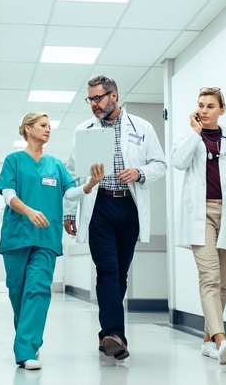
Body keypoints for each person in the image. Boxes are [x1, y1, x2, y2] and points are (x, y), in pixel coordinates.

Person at [63, 75, 167, 360]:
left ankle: (107, 335)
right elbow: (72, 174)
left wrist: (140, 173)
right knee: (107, 269)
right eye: (90, 99)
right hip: (99, 206)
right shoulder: (84, 130)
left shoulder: (141, 128)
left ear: (114, 96)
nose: (94, 105)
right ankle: (115, 333)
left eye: (98, 98)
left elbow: (160, 164)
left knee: (120, 273)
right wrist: (70, 211)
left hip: (129, 206)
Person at [0, 112, 104, 370]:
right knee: (18, 293)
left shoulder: (55, 165)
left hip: (46, 238)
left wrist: (90, 184)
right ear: (28, 129)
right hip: (16, 237)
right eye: (43, 125)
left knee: (38, 290)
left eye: (49, 126)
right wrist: (29, 211)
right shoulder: (13, 160)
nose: (48, 130)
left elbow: (71, 192)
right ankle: (30, 339)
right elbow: (8, 194)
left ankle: (25, 350)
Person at [170, 87, 226, 366]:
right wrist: (194, 133)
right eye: (200, 106)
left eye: (210, 106)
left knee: (224, 284)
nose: (203, 110)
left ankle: (207, 341)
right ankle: (221, 339)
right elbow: (178, 162)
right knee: (210, 278)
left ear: (221, 110)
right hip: (200, 214)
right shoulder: (189, 137)